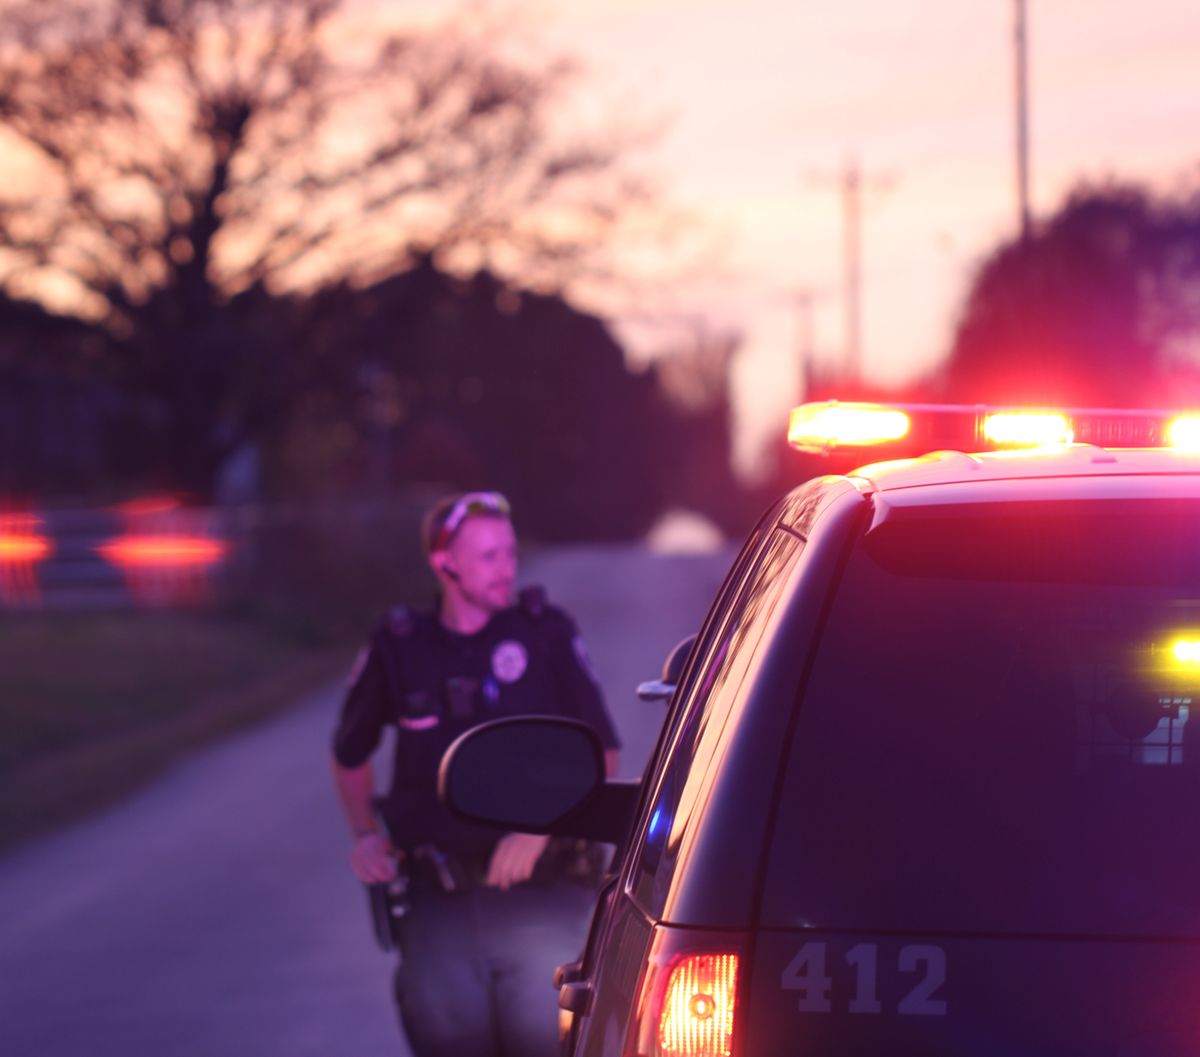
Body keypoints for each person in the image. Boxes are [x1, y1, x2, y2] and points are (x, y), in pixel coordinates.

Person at [330, 490, 621, 1057]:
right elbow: (348, 754)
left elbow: (602, 752)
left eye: (510, 553)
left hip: (543, 899)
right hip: (437, 907)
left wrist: (543, 828)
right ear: (445, 565)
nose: (506, 569)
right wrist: (365, 834)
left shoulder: (545, 634)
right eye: (488, 557)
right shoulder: (400, 645)